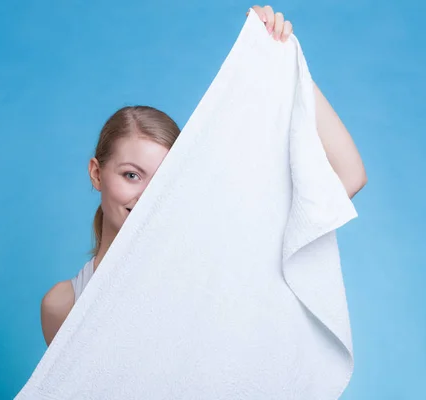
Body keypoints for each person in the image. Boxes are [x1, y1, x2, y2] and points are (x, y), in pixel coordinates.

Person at [40, 5, 368, 346]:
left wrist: (287, 65)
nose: (148, 195)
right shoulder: (62, 305)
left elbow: (350, 176)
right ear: (96, 174)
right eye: (132, 175)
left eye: (163, 179)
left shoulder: (208, 262)